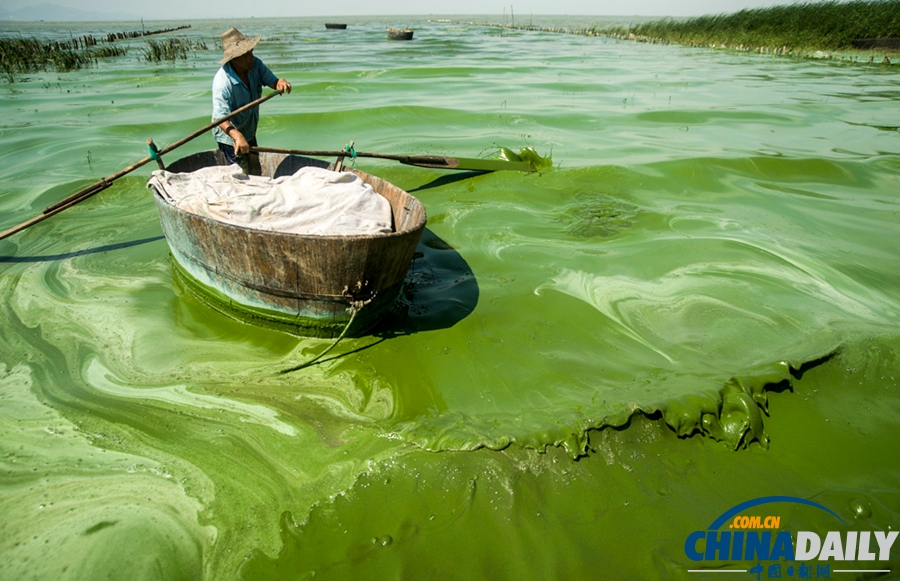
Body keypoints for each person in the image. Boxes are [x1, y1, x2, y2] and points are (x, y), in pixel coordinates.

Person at [212, 27, 291, 170]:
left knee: (255, 167)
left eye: (251, 52)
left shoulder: (255, 65)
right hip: (230, 136)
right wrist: (236, 136)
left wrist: (280, 82)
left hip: (248, 130)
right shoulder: (223, 82)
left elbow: (273, 82)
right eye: (246, 55)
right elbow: (220, 118)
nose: (251, 57)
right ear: (234, 59)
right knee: (240, 173)